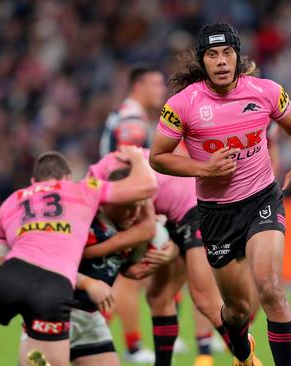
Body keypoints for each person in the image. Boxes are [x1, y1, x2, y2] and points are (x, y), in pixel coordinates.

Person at [149, 22, 291, 366]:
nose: (221, 61)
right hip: (216, 213)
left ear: (238, 56)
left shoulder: (266, 91)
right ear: (202, 61)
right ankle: (243, 354)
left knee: (270, 287)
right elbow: (158, 157)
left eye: (228, 53)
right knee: (236, 311)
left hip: (261, 200)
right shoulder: (182, 104)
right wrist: (204, 169)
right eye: (213, 54)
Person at [0, 147, 157, 366]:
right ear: (67, 178)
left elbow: (2, 260)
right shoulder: (82, 190)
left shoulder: (10, 201)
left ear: (34, 180)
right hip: (54, 289)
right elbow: (146, 186)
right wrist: (137, 157)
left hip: (14, 274)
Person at [90, 149, 252, 366]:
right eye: (126, 210)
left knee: (204, 298)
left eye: (133, 210)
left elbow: (147, 229)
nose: (130, 216)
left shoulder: (136, 183)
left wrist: (103, 256)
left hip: (195, 207)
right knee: (158, 297)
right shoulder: (95, 183)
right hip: (171, 213)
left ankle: (248, 360)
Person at [60, 167, 178, 366]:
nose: (134, 213)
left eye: (140, 206)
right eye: (128, 206)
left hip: (90, 319)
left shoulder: (135, 226)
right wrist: (89, 284)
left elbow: (163, 246)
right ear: (110, 200)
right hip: (55, 313)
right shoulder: (83, 221)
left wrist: (167, 253)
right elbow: (53, 266)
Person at [99, 64, 167, 363]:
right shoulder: (132, 120)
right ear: (139, 86)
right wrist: (143, 207)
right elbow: (128, 164)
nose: (161, 90)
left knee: (123, 276)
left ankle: (99, 338)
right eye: (156, 84)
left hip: (115, 201)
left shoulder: (125, 114)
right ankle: (133, 346)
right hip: (124, 205)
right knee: (128, 278)